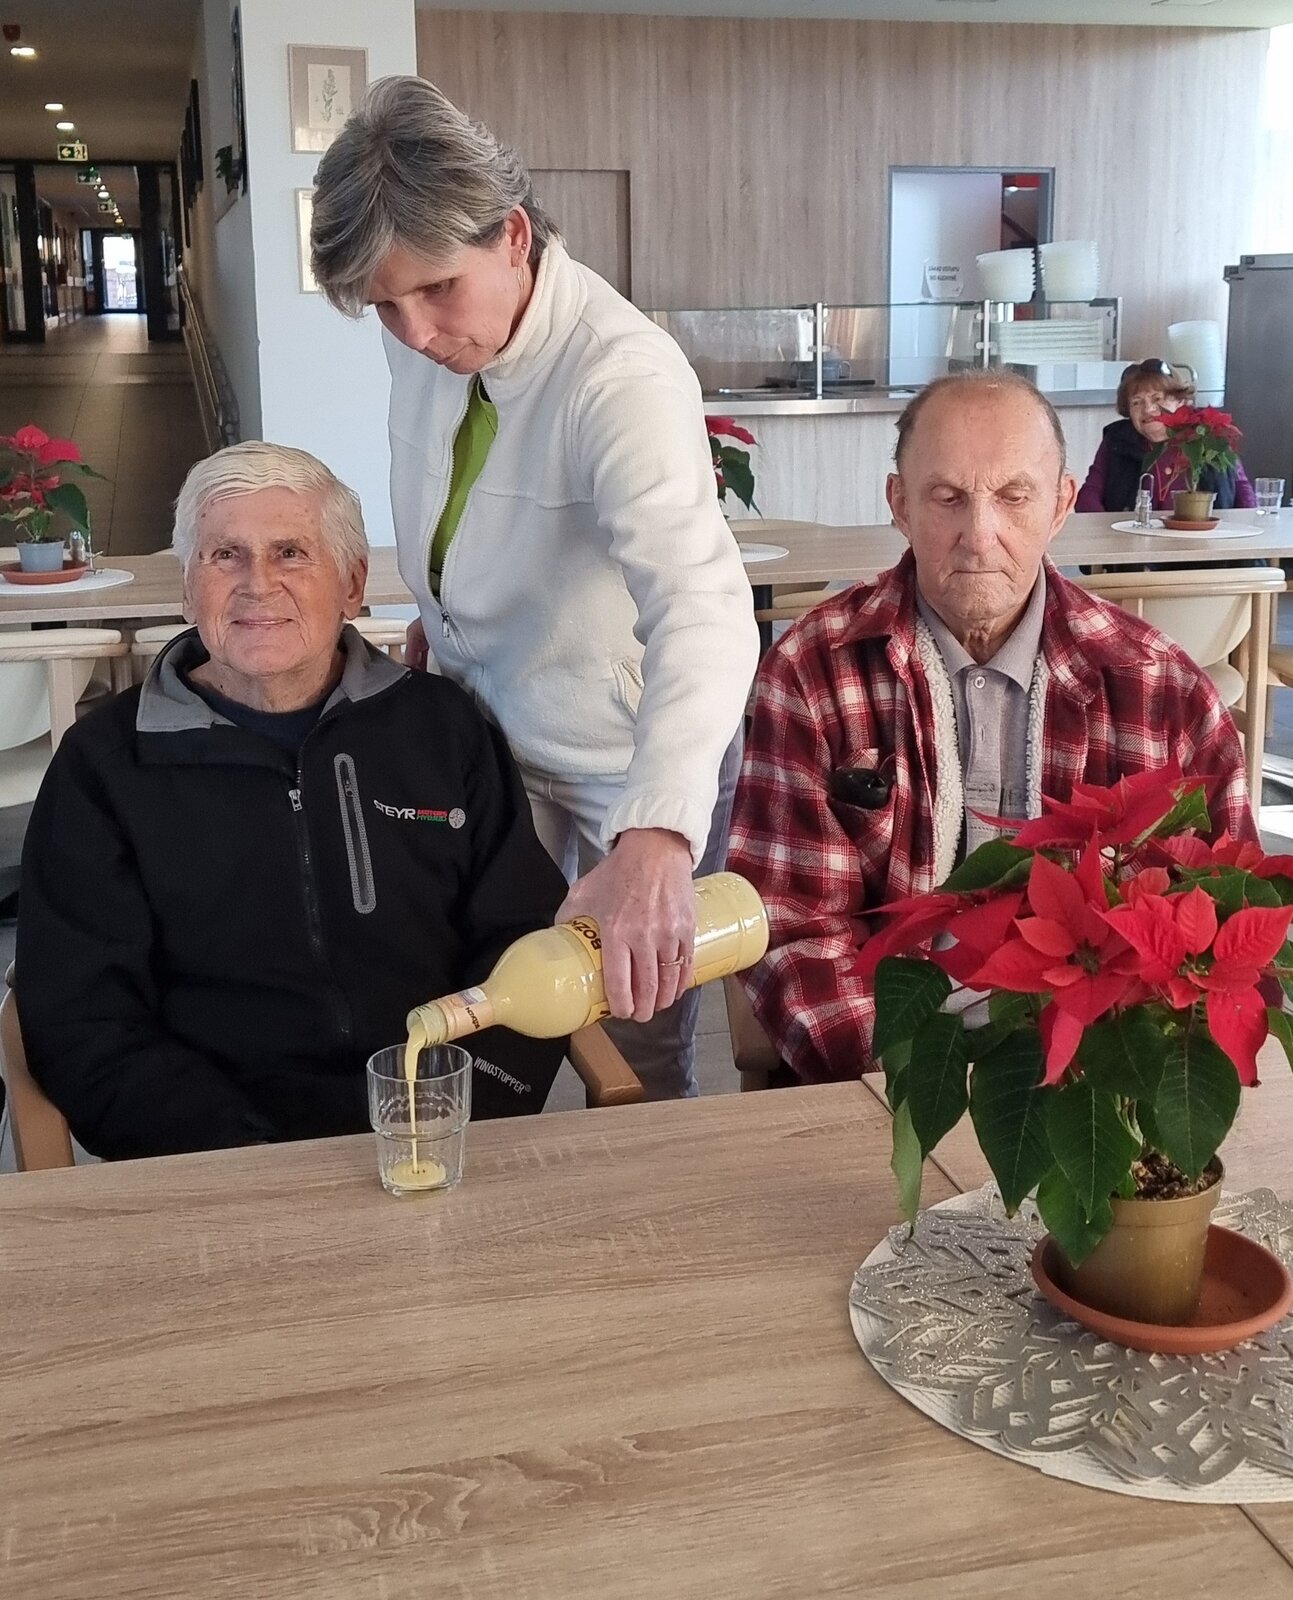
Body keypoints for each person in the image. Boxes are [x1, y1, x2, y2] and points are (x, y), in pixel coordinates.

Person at [309, 77, 759, 1100]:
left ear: (513, 235)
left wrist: (657, 833)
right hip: (490, 738)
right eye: (383, 306)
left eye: (435, 291)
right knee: (479, 1006)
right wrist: (442, 618)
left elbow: (702, 606)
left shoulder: (620, 377)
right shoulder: (433, 329)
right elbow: (453, 486)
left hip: (621, 765)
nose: (415, 333)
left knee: (634, 1050)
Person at [16, 443, 570, 1160]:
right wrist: (239, 1154)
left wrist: (457, 1109)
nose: (258, 585)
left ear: (351, 585)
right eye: (225, 555)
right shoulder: (105, 764)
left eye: (290, 553)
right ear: (187, 588)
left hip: (439, 1127)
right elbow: (82, 1016)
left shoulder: (442, 727)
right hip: (216, 1156)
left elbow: (523, 935)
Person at [728, 371, 1255, 1085]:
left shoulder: (1163, 689)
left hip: (1089, 1088)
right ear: (899, 504)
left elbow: (1219, 919)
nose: (979, 536)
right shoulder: (811, 670)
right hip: (881, 1074)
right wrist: (917, 1085)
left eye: (1013, 496)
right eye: (947, 497)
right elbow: (791, 924)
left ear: (1061, 505)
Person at [1075, 358, 1256, 513]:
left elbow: (1243, 492)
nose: (1148, 409)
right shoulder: (1117, 440)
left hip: (1203, 540)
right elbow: (1089, 495)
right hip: (1132, 540)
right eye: (1136, 402)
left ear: (1180, 401)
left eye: (1157, 399)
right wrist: (1109, 535)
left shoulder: (1209, 434)